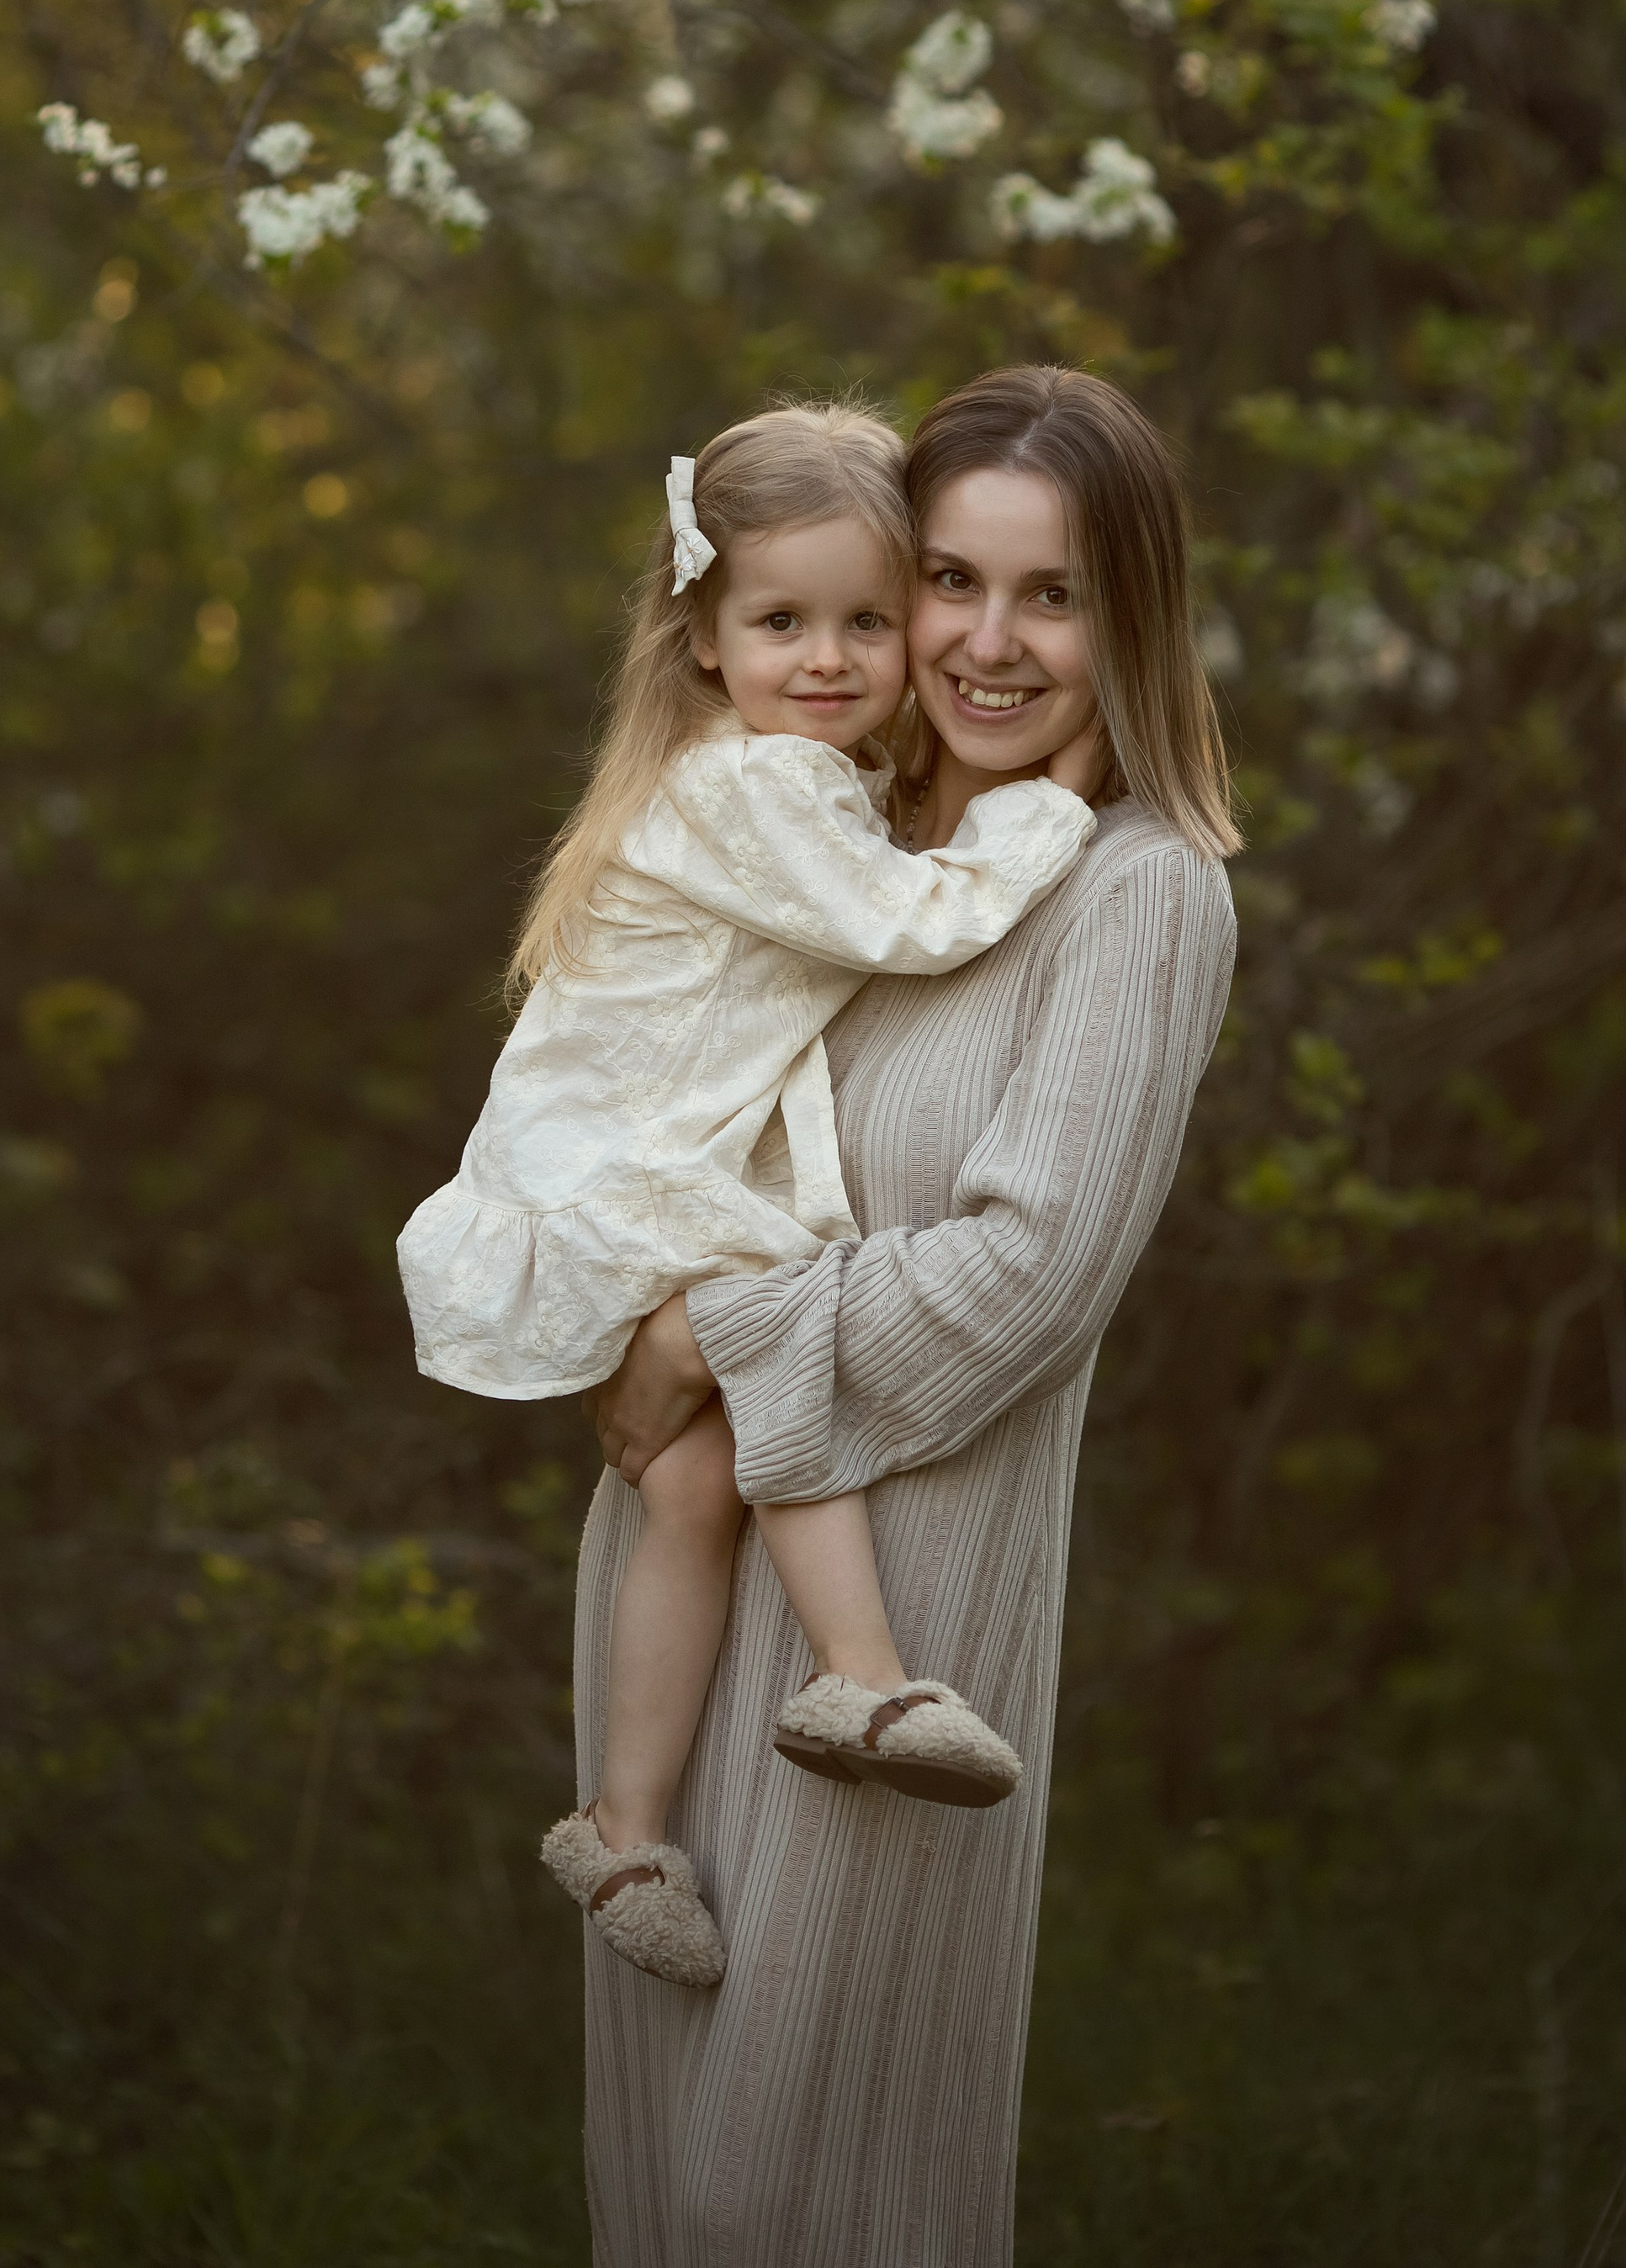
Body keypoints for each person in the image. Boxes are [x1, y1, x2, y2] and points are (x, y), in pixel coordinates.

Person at [577, 364, 1240, 2268]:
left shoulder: (1139, 897)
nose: (989, 642)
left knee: (799, 2195)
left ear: (1131, 616)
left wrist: (706, 1335)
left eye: (1053, 594)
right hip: (677, 1581)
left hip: (896, 1637)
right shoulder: (817, 850)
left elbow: (1019, 1276)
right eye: (950, 581)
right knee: (663, 2189)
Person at [396, 402, 1094, 1990]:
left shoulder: (774, 769)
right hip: (631, 1172)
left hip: (612, 1158)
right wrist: (1047, 805)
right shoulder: (756, 789)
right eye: (783, 621)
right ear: (702, 635)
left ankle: (622, 1826)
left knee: (696, 1489)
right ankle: (861, 1675)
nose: (832, 658)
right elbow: (917, 929)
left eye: (866, 619)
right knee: (783, 1360)